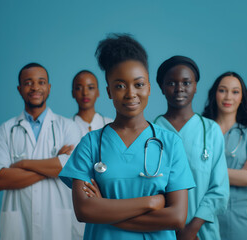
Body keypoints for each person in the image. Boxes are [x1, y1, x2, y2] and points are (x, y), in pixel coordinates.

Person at [59, 34, 195, 240]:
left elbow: (177, 217)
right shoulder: (91, 144)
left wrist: (104, 210)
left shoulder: (170, 143)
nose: (130, 93)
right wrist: (151, 203)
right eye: (120, 86)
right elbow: (84, 211)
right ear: (109, 91)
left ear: (149, 87)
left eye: (139, 84)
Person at [0, 63, 82, 240]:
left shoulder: (68, 127)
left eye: (41, 82)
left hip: (57, 226)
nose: (35, 88)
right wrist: (54, 163)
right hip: (18, 228)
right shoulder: (6, 129)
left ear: (49, 87)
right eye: (28, 82)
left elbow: (69, 168)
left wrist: (23, 164)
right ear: (19, 88)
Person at [154, 56, 229, 240]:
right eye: (171, 83)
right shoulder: (151, 133)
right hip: (162, 230)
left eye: (186, 82)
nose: (179, 88)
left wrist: (191, 229)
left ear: (195, 86)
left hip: (202, 233)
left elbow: (219, 189)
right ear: (162, 88)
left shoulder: (211, 131)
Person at [202, 71, 247, 240]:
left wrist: (209, 170)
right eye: (222, 90)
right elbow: (191, 174)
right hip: (203, 215)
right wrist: (239, 173)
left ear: (242, 97)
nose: (228, 97)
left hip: (240, 217)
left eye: (235, 91)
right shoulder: (201, 130)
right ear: (214, 94)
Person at [72, 70, 113, 137]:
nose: (85, 93)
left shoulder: (110, 125)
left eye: (90, 88)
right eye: (78, 88)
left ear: (98, 92)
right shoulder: (66, 127)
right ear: (73, 93)